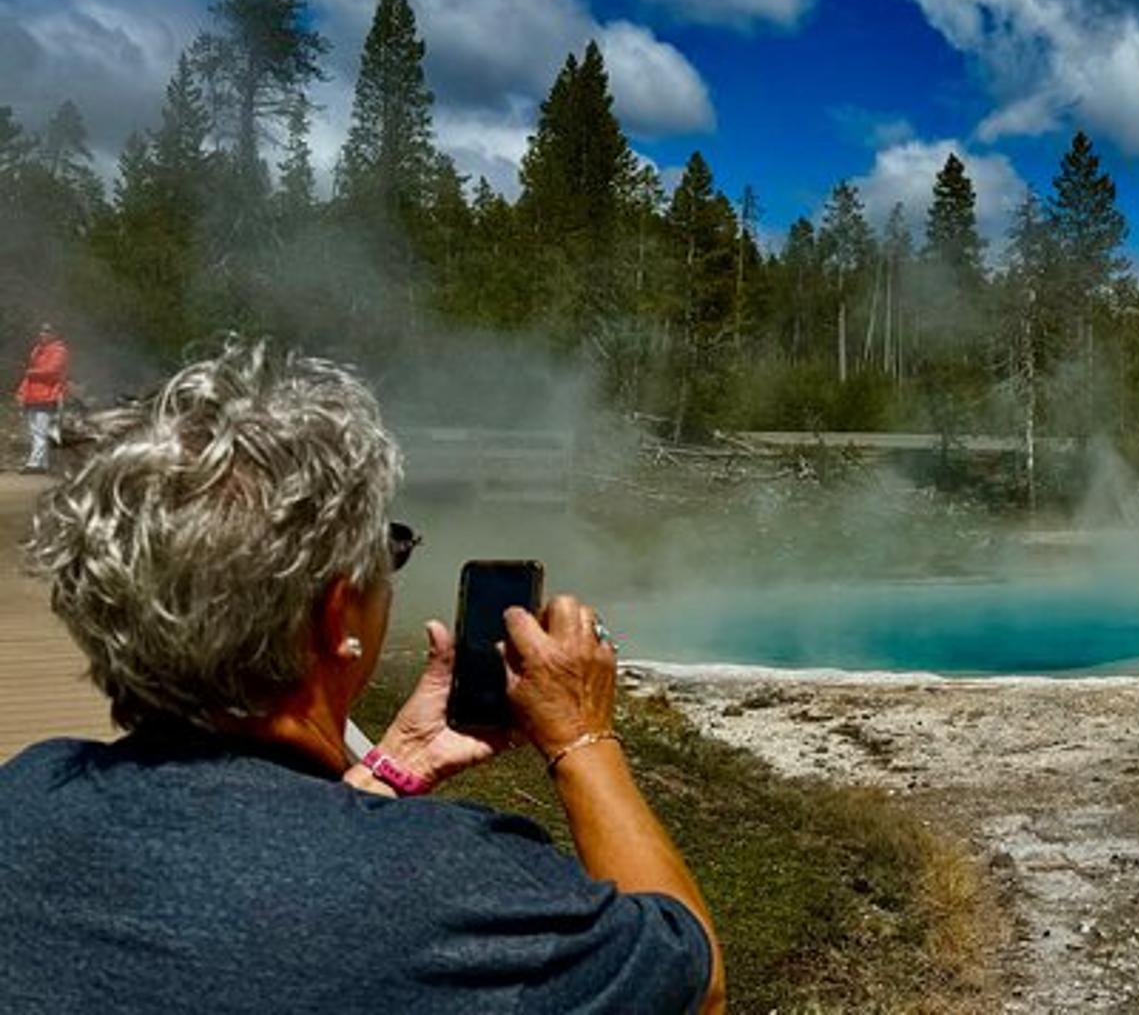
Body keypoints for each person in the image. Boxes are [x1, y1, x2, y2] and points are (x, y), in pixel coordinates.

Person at [0, 339, 725, 1014]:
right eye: (390, 548)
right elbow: (691, 979)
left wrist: (385, 772)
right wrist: (582, 733)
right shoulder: (447, 884)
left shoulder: (29, 790)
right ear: (335, 611)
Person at [14, 322, 68, 473]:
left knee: (40, 431)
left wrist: (30, 372)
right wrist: (21, 392)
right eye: (42, 331)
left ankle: (35, 463)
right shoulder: (37, 350)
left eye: (47, 332)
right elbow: (28, 376)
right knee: (35, 430)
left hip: (49, 395)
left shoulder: (59, 350)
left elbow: (52, 370)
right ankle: (42, 464)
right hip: (32, 396)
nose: (43, 334)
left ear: (55, 334)